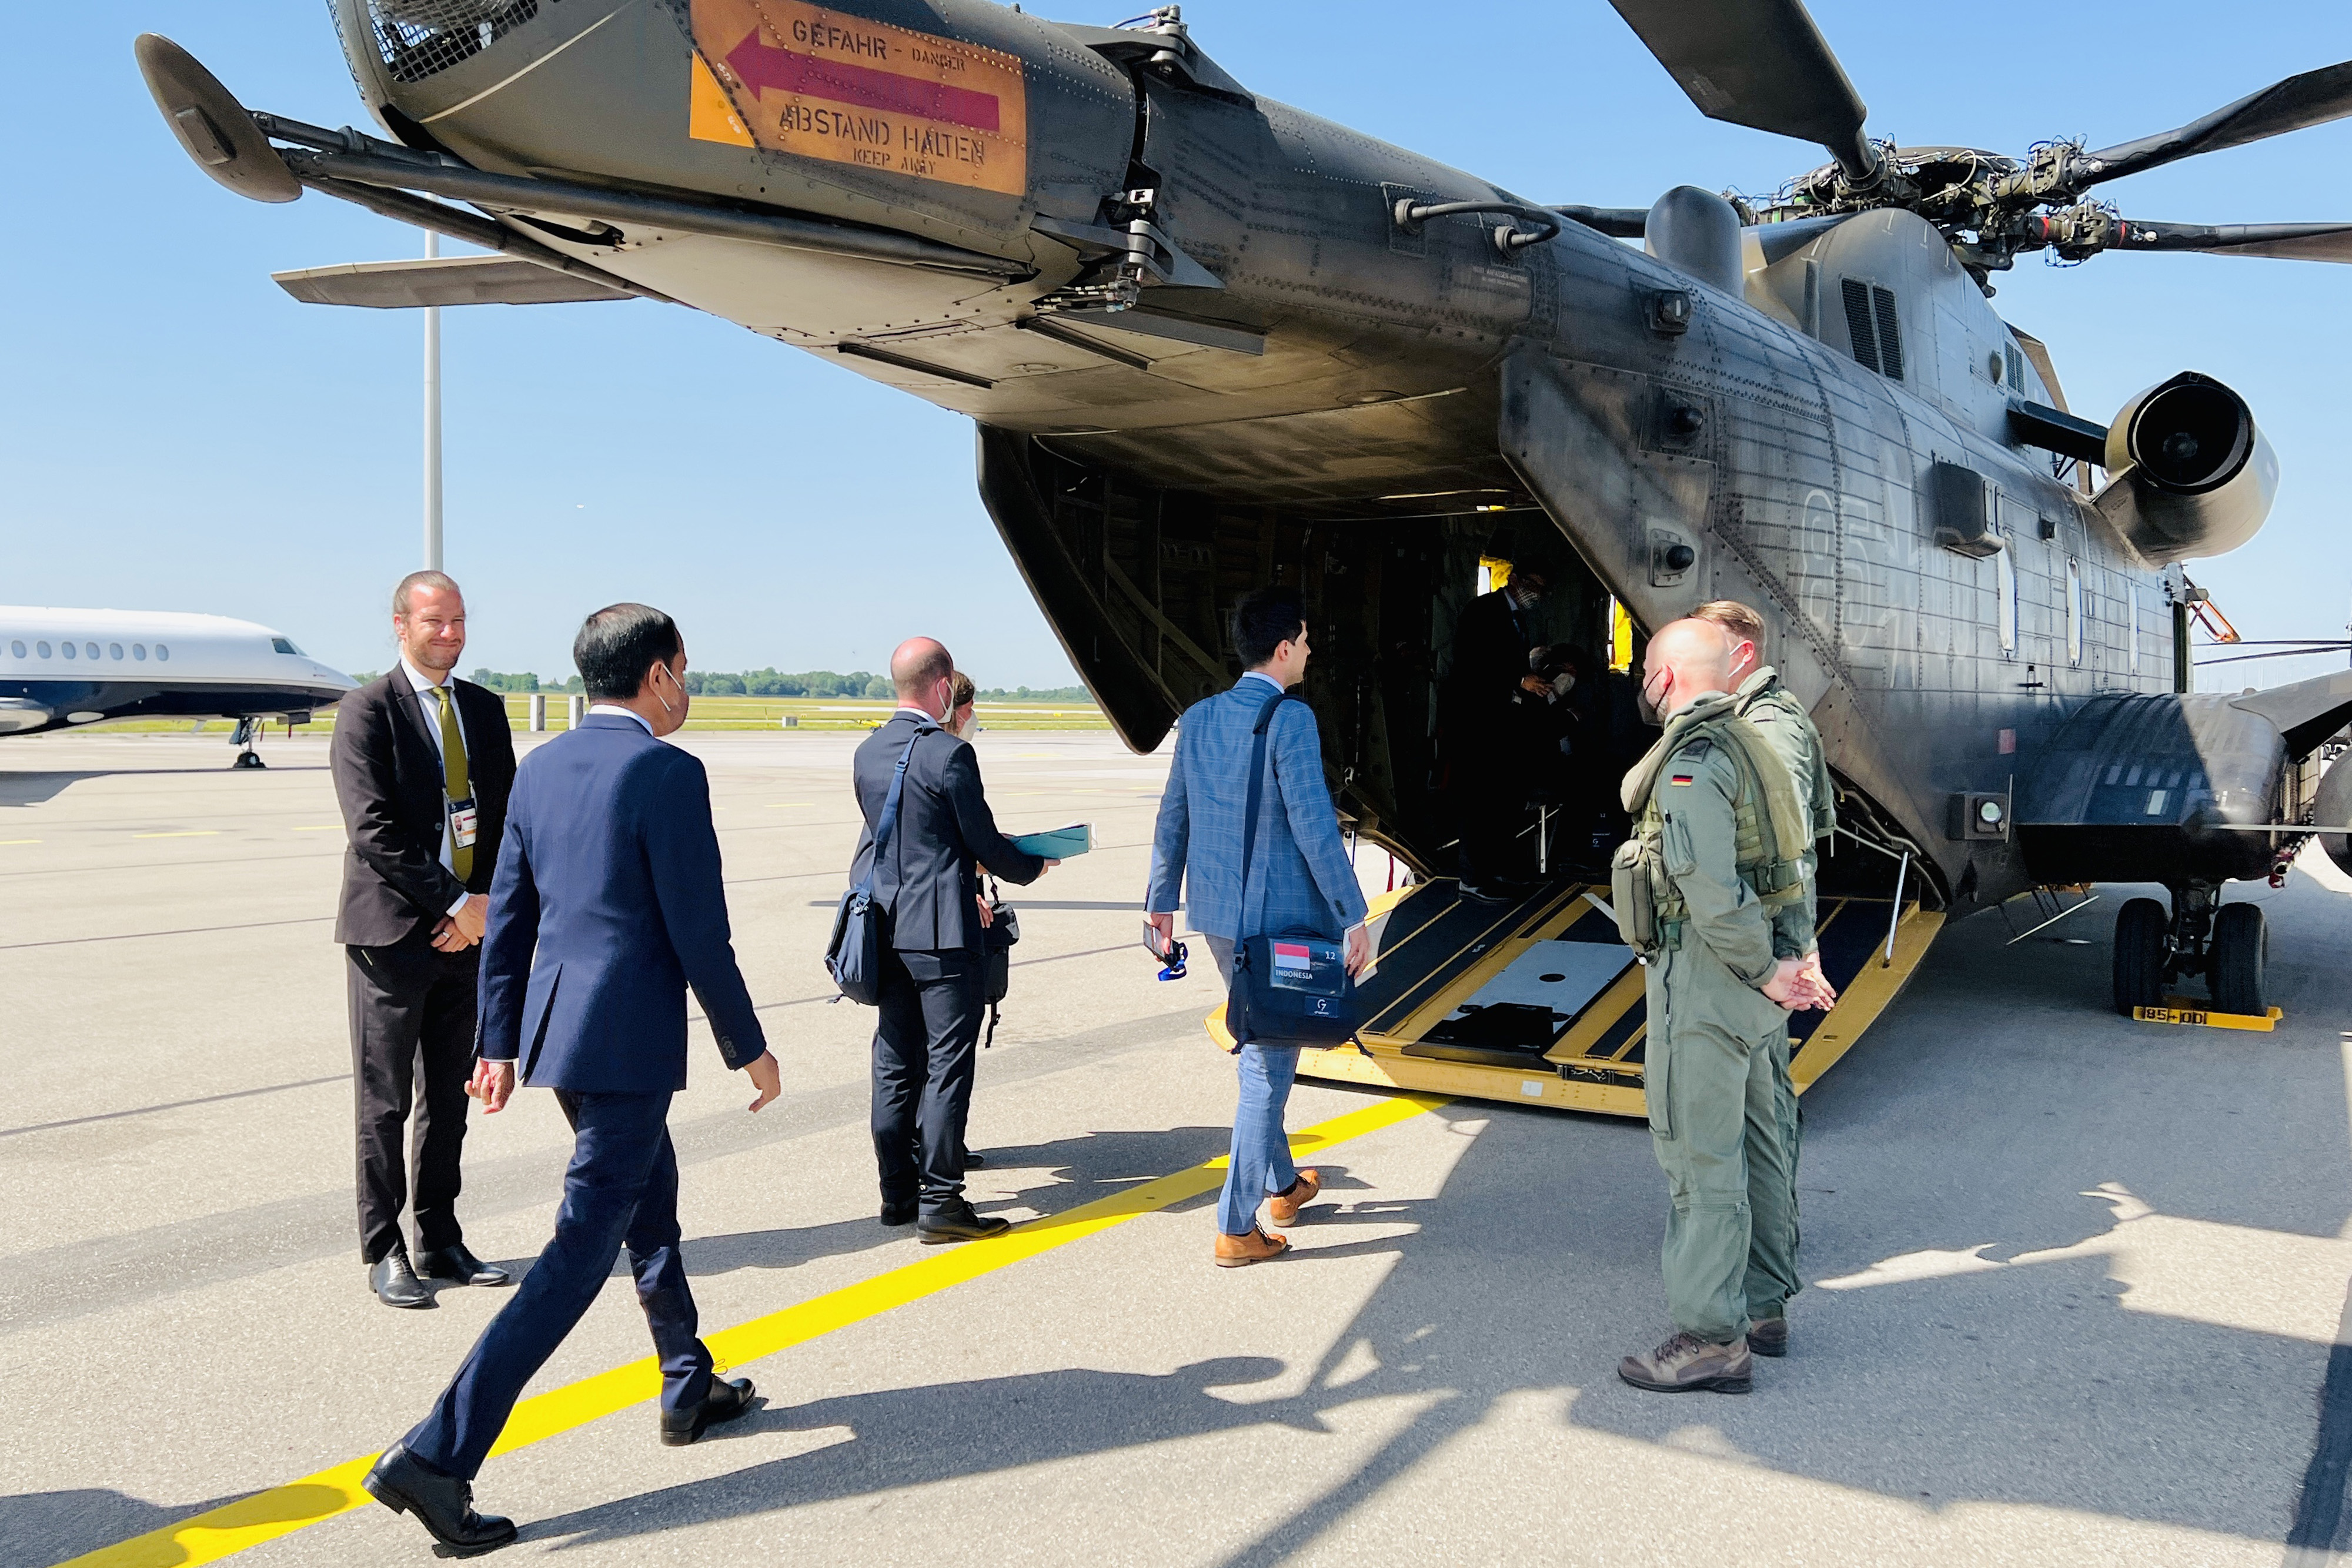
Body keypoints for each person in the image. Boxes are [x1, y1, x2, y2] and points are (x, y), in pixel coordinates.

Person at [361, 603, 783, 1554]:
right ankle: (437, 1452)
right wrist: (746, 1043)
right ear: (662, 674)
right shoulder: (668, 772)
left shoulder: (544, 764)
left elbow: (506, 916)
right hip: (626, 1044)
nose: (689, 685)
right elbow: (697, 928)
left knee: (650, 1198)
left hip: (561, 1042)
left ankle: (686, 1379)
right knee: (578, 1253)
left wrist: (500, 1042)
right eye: (687, 669)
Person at [1613, 618, 1833, 1395]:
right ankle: (1765, 1304)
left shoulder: (1695, 761)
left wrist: (1765, 967)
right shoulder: (1756, 742)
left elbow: (1709, 884)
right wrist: (1788, 956)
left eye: (1645, 668)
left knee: (1699, 1152)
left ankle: (1711, 1337)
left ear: (1668, 676)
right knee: (1759, 1136)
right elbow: (1790, 858)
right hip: (1748, 978)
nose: (1640, 680)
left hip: (1705, 977)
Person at [1146, 587, 1371, 1268]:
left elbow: (1173, 816)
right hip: (1279, 924)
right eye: (1304, 641)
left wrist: (1160, 900)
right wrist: (1353, 914)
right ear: (1282, 648)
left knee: (1261, 1044)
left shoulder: (1201, 716)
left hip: (1217, 916)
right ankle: (1237, 1223)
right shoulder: (1290, 719)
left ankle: (1282, 1183)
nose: (1309, 651)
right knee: (1268, 1065)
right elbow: (1312, 824)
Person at [330, 570, 517, 1309]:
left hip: (467, 931)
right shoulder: (366, 710)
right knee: (385, 1102)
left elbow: (506, 819)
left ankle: (439, 1235)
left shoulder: (483, 708)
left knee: (450, 1094)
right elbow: (373, 830)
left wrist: (485, 907)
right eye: (435, 622)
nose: (451, 634)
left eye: (460, 621)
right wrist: (453, 904)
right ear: (400, 625)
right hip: (393, 936)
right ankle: (384, 1248)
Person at [850, 638, 1050, 1243]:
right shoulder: (948, 756)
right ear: (942, 689)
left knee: (893, 1065)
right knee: (946, 1067)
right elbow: (983, 844)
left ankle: (897, 1195)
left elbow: (908, 841)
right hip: (940, 935)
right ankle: (941, 1202)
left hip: (885, 932)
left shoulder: (866, 752)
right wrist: (1032, 865)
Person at [1688, 599, 1840, 1360]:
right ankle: (1756, 1288)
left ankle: (1762, 1297)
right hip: (1744, 953)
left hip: (1757, 959)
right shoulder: (1736, 721)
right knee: (1749, 1122)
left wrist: (1784, 959)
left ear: (1741, 655)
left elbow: (1784, 857)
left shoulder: (1771, 727)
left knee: (1760, 1125)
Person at [1439, 550, 1559, 900]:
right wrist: (1519, 680)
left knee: (1503, 801)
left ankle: (1503, 870)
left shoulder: (1518, 617)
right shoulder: (1483, 611)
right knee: (1478, 802)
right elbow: (1475, 664)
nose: (1536, 594)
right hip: (1477, 725)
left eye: (1543, 589)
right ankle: (1473, 879)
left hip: (1503, 725)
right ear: (1514, 580)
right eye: (1533, 585)